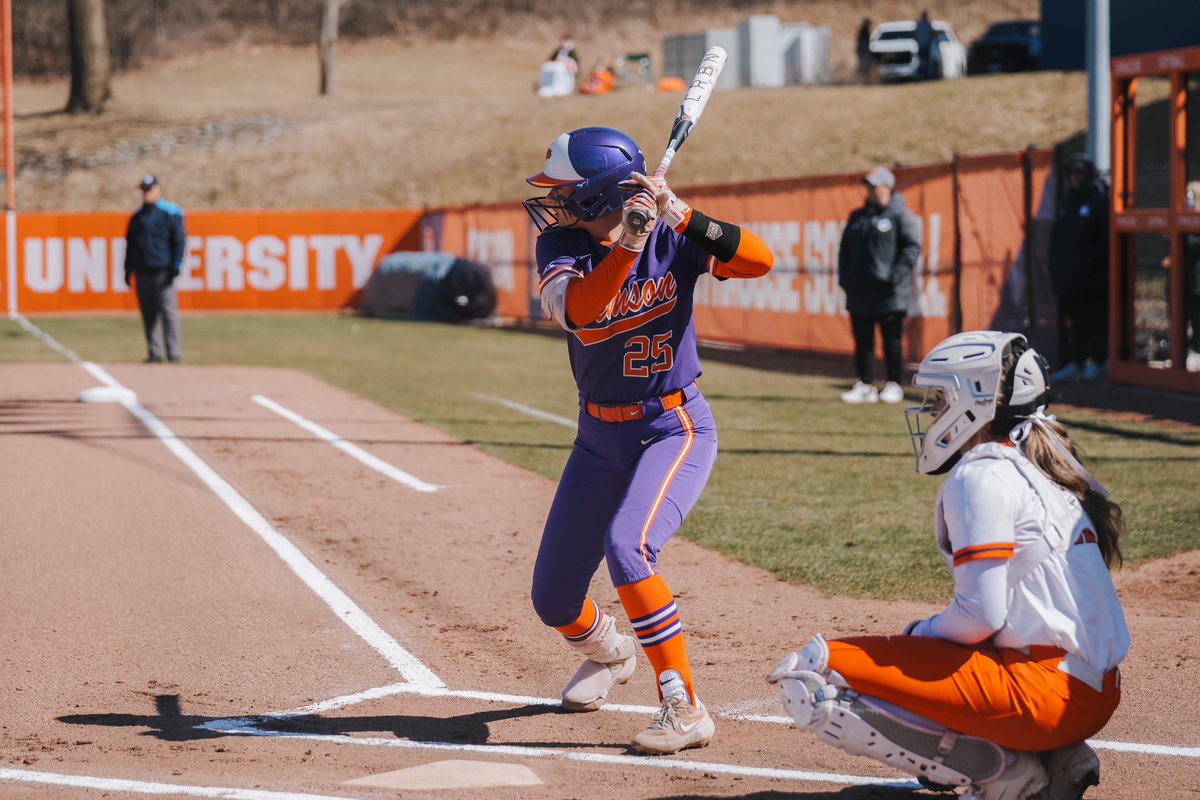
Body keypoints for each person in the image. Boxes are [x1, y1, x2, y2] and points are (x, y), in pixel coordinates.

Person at [769, 331, 1129, 800]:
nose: (933, 411)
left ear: (975, 399)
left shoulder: (982, 472)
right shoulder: (1037, 465)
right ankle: (1057, 757)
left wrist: (916, 637)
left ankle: (1010, 778)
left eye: (940, 397)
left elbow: (982, 616)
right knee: (923, 653)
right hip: (1088, 687)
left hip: (1048, 693)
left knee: (812, 673)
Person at [523, 126, 774, 754]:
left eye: (565, 191)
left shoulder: (672, 234)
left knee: (628, 549)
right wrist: (628, 244)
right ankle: (611, 653)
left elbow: (760, 261)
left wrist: (678, 214)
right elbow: (580, 312)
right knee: (554, 599)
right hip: (598, 436)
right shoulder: (561, 243)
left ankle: (684, 707)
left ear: (599, 192)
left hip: (673, 425)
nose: (553, 203)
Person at [837, 166, 922, 404]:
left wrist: (893, 277)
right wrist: (845, 278)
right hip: (859, 291)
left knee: (891, 340)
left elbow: (911, 248)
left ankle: (894, 384)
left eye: (876, 185)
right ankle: (866, 385)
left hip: (889, 293)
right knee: (863, 342)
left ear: (888, 187)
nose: (871, 190)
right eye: (869, 186)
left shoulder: (900, 215)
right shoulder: (857, 217)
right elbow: (844, 250)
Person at [1048, 154, 1110, 382]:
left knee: (1095, 321)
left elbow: (1105, 240)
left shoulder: (1099, 201)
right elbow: (1056, 240)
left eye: (1079, 173)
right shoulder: (1066, 202)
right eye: (1072, 173)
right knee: (1074, 324)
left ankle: (1098, 360)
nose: (1075, 178)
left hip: (1092, 281)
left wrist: (1088, 262)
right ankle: (1075, 361)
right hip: (1069, 280)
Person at [124, 174, 185, 363]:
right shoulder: (138, 216)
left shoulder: (171, 212)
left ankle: (173, 353)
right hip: (142, 272)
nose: (146, 194)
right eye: (143, 190)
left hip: (163, 272)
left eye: (149, 190)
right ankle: (154, 353)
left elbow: (179, 240)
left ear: (158, 190)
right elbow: (131, 245)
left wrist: (176, 265)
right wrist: (128, 269)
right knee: (148, 314)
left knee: (168, 313)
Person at [914, 11, 936, 80]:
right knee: (922, 61)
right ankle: (923, 74)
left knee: (925, 62)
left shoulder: (922, 25)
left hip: (925, 46)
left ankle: (925, 74)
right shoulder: (924, 25)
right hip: (923, 46)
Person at [856, 17, 873, 82]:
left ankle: (865, 79)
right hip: (863, 52)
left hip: (863, 51)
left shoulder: (864, 31)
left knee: (866, 66)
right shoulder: (864, 31)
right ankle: (863, 79)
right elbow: (863, 42)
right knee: (864, 66)